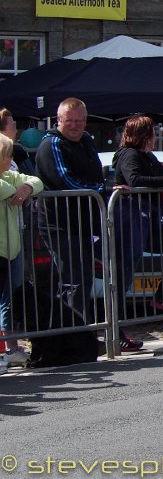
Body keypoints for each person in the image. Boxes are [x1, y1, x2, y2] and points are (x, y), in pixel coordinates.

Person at [35, 98, 143, 353]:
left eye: (79, 120)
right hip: (59, 225)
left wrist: (103, 188)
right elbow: (64, 181)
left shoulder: (85, 140)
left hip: (85, 223)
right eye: (69, 120)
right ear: (58, 120)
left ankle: (93, 335)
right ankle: (70, 340)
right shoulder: (51, 144)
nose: (74, 125)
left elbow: (96, 174)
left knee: (91, 278)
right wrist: (101, 190)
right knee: (73, 282)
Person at [112, 116, 163, 322]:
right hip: (131, 222)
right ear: (144, 136)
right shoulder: (129, 155)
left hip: (147, 221)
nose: (155, 138)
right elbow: (135, 180)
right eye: (153, 134)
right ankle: (115, 329)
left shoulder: (146, 156)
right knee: (124, 275)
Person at [0, 134, 43, 370]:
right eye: (7, 156)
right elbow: (5, 189)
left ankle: (11, 348)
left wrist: (26, 187)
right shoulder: (6, 180)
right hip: (1, 249)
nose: (11, 160)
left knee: (10, 301)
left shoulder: (9, 175)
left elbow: (36, 181)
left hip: (11, 249)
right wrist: (17, 187)